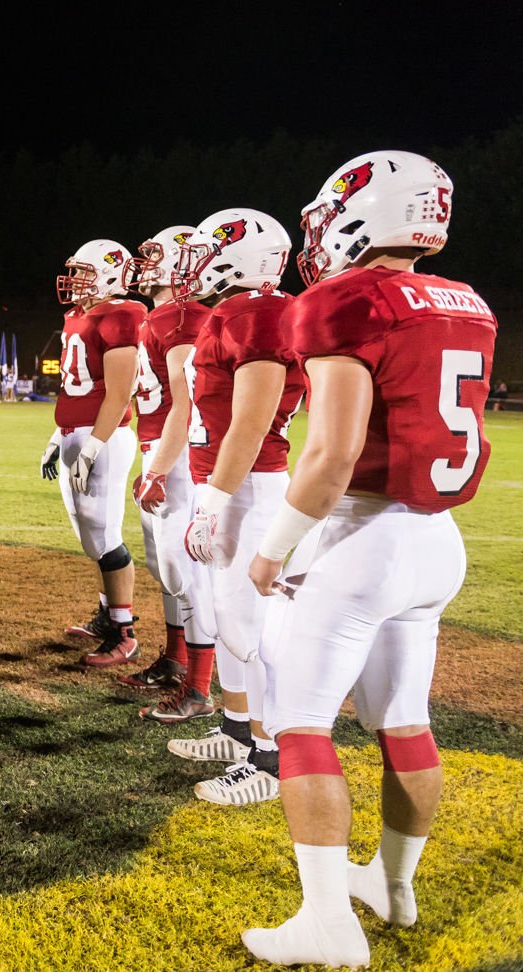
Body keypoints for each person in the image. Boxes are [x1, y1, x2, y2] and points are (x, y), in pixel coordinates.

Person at [242, 151, 496, 969]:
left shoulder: (346, 300)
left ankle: (325, 922)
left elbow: (332, 455)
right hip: (436, 542)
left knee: (300, 725)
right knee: (404, 722)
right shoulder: (468, 301)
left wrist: (272, 549)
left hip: (366, 535)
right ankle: (393, 886)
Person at [162, 208, 305, 807]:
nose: (189, 264)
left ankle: (271, 760)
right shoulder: (235, 311)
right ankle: (239, 730)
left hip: (247, 486)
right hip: (225, 483)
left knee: (254, 630)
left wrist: (213, 501)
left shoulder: (259, 312)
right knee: (227, 621)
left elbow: (250, 421)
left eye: (202, 251)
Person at [118, 225, 217, 705]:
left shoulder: (184, 318)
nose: (145, 263)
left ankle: (199, 687)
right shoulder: (161, 317)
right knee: (164, 565)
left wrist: (159, 466)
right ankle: (176, 660)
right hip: (159, 448)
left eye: (156, 254)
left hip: (177, 455)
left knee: (185, 569)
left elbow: (189, 402)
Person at [41, 238, 143, 667]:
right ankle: (106, 615)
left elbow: (119, 394)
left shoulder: (122, 313)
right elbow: (73, 386)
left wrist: (93, 445)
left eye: (84, 272)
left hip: (103, 436)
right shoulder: (78, 317)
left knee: (105, 535)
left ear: (107, 273)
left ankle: (124, 631)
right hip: (74, 433)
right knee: (89, 535)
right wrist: (56, 438)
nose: (75, 280)